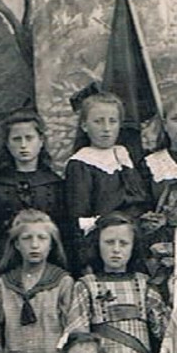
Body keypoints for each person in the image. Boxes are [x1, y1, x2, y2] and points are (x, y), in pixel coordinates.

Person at [67, 213, 167, 353]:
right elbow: (77, 336)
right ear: (97, 244)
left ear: (133, 247)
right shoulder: (86, 286)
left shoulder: (144, 285)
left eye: (123, 243)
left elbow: (165, 333)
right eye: (109, 242)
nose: (116, 249)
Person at [0, 209, 76, 353]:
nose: (35, 245)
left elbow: (72, 332)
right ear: (17, 244)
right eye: (27, 238)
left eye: (42, 238)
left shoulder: (62, 282)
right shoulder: (4, 284)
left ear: (52, 243)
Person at [0, 108, 70, 270]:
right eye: (17, 139)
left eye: (29, 138)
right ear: (7, 144)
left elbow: (64, 231)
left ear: (41, 141)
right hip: (5, 261)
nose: (23, 145)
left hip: (48, 262)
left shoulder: (55, 184)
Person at [63, 88, 150, 243]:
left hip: (132, 237)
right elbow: (80, 219)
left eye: (112, 121)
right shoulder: (81, 164)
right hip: (101, 240)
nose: (106, 128)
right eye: (98, 121)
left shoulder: (123, 155)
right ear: (84, 126)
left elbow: (138, 199)